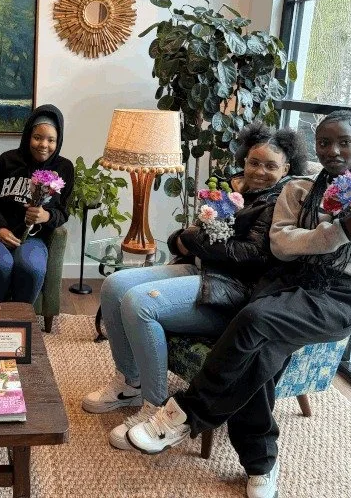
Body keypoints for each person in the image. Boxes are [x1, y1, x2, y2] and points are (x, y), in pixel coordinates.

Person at [125, 110, 351, 498]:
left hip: (338, 297)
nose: (333, 150)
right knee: (261, 360)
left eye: (344, 142)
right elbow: (282, 246)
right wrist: (337, 231)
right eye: (324, 142)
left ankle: (184, 414)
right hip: (287, 282)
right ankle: (261, 465)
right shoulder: (298, 189)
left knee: (254, 319)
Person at [82, 121, 308, 456]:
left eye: (270, 166)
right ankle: (129, 383)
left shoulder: (281, 201)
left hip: (232, 291)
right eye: (253, 162)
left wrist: (192, 240)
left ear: (286, 169)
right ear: (244, 160)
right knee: (115, 285)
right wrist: (183, 238)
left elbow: (253, 255)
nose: (259, 171)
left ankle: (155, 407)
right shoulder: (233, 189)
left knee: (139, 303)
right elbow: (195, 230)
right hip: (204, 271)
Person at [0, 104, 74, 304]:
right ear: (28, 136)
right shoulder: (7, 160)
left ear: (58, 141)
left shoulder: (64, 168)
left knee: (30, 268)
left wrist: (47, 216)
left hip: (33, 239)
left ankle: (20, 320)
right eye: (37, 137)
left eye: (51, 140)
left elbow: (63, 211)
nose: (43, 145)